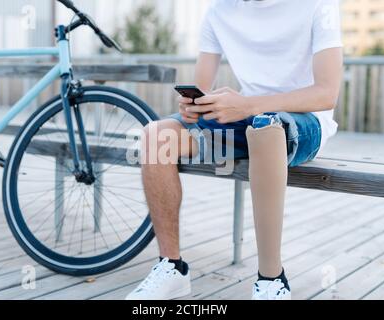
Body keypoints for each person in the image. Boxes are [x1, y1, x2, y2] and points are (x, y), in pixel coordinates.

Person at [126, 0, 343, 300]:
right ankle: (171, 267)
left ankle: (271, 280)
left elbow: (327, 93)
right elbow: (200, 85)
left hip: (303, 121)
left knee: (265, 127)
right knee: (156, 135)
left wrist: (249, 105)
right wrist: (193, 106)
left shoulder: (318, 5)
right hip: (243, 116)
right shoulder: (218, 11)